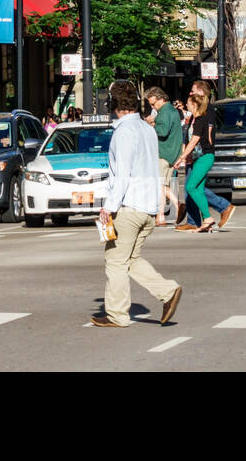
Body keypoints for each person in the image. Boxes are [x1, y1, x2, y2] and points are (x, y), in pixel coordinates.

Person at [91, 80, 183, 328]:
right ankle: (167, 291)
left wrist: (109, 206)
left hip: (127, 206)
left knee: (116, 261)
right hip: (147, 207)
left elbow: (122, 173)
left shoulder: (124, 132)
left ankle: (117, 314)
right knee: (131, 258)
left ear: (113, 103)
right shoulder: (146, 129)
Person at [175, 94, 217, 233]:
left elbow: (194, 141)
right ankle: (206, 221)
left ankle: (208, 218)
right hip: (200, 158)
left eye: (188, 102)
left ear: (194, 105)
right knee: (198, 188)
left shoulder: (200, 119)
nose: (186, 105)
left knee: (191, 186)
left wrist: (181, 158)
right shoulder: (194, 119)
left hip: (205, 156)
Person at [145, 88, 180, 227]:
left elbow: (162, 131)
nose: (152, 107)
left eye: (153, 104)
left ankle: (161, 216)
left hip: (163, 152)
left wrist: (150, 125)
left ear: (161, 99)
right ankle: (177, 207)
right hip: (172, 153)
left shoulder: (164, 112)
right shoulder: (172, 110)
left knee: (160, 185)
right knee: (163, 185)